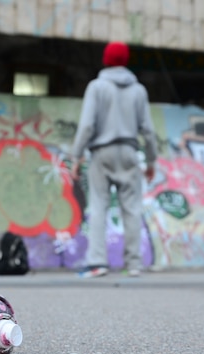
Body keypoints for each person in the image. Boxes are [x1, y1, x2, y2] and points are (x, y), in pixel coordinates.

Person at [70, 41, 157, 278]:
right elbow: (148, 130)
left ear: (106, 60)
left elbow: (87, 125)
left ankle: (98, 262)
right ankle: (134, 264)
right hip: (129, 152)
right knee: (132, 208)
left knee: (98, 204)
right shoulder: (138, 90)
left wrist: (75, 156)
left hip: (101, 153)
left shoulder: (96, 87)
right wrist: (151, 161)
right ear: (126, 60)